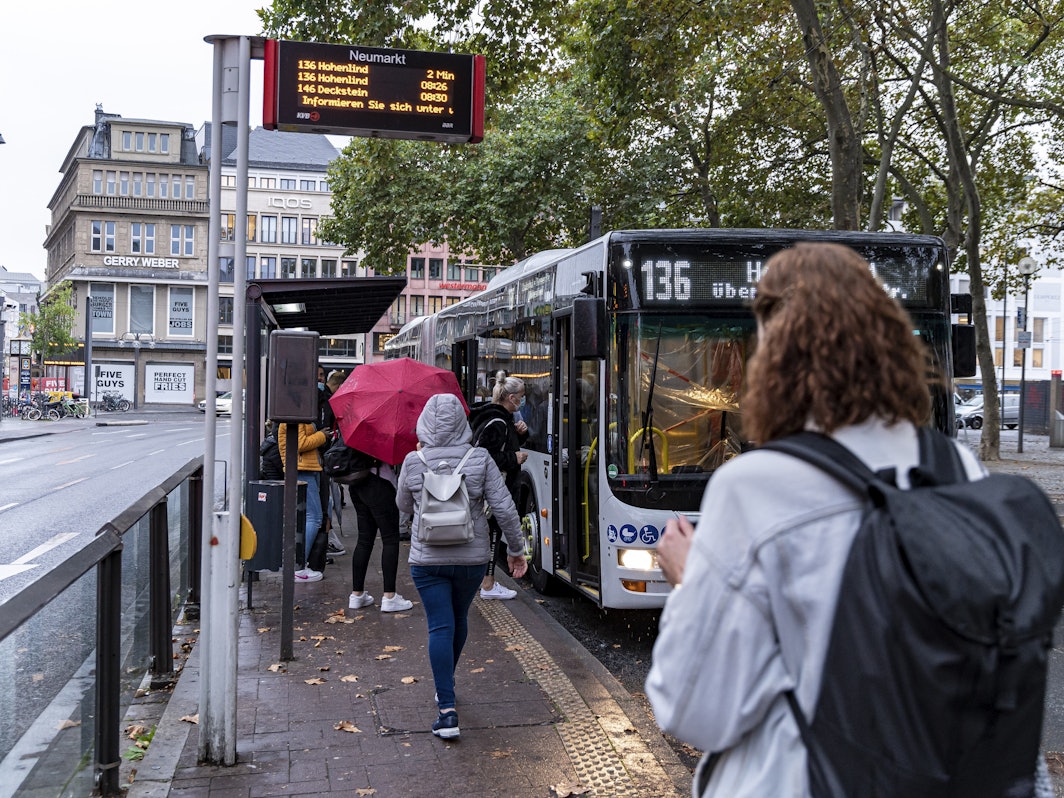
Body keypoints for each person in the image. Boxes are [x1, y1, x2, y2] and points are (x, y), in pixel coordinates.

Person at [645, 242, 988, 797]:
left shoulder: (754, 486)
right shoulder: (960, 470)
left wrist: (690, 582)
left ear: (774, 352)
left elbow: (694, 710)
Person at [397, 392, 528, 739]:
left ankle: (446, 709)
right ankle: (447, 682)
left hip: (427, 560)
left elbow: (403, 505)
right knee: (458, 619)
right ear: (462, 423)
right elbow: (504, 508)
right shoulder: (480, 458)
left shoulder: (413, 460)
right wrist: (516, 549)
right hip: (471, 559)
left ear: (425, 423)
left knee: (439, 626)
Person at [467, 371, 529, 599]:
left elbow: (501, 446)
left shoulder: (496, 418)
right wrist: (515, 458)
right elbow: (485, 456)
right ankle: (488, 585)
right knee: (493, 535)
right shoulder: (498, 422)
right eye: (521, 397)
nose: (522, 401)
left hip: (492, 489)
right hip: (495, 490)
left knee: (488, 534)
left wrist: (520, 435)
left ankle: (485, 582)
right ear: (511, 398)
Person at [347, 452, 414, 613]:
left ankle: (356, 595)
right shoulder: (381, 436)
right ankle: (390, 596)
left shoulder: (356, 436)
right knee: (390, 540)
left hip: (356, 481)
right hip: (380, 482)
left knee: (364, 540)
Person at [276, 419, 329, 583]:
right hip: (302, 469)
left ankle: (297, 565)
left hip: (306, 468)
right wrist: (322, 436)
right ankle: (298, 567)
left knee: (309, 517)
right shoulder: (295, 417)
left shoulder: (297, 416)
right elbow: (299, 443)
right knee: (314, 518)